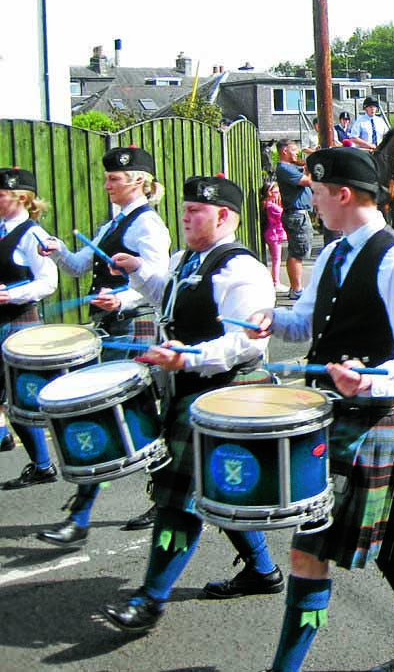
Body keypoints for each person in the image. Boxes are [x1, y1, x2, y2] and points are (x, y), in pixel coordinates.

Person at [246, 147, 394, 672]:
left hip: (365, 423)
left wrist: (367, 379)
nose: (310, 202)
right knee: (390, 544)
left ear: (342, 194)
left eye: (315, 193)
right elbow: (306, 324)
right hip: (323, 416)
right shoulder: (335, 253)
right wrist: (269, 318)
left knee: (307, 551)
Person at [99, 174, 284, 634]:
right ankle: (263, 571)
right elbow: (170, 293)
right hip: (191, 386)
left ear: (224, 216)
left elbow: (244, 342)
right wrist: (135, 271)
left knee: (176, 500)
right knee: (214, 488)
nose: (185, 216)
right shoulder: (188, 260)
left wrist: (188, 355)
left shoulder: (242, 270)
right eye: (184, 209)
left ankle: (151, 598)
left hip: (226, 387)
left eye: (195, 211)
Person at [35, 145, 170, 537]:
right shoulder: (114, 223)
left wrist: (121, 297)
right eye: (107, 178)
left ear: (138, 181)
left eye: (114, 179)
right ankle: (95, 512)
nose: (107, 185)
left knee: (123, 415)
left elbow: (157, 283)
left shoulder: (147, 225)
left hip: (134, 325)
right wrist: (58, 251)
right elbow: (81, 266)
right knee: (121, 416)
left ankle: (85, 516)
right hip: (111, 326)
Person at [0, 167, 59, 487]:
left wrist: (10, 294)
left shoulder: (32, 235)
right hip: (2, 324)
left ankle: (42, 464)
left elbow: (48, 282)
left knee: (17, 399)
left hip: (18, 323)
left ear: (20, 197)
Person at [275, 139, 316, 300]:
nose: (296, 152)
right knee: (297, 252)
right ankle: (296, 289)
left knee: (299, 251)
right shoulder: (284, 168)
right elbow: (306, 181)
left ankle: (296, 288)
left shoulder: (291, 167)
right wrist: (310, 170)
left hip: (299, 214)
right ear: (284, 151)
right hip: (296, 214)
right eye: (293, 149)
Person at [261, 179, 288, 292]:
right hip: (274, 234)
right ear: (269, 192)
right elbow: (282, 214)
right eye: (276, 192)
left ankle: (275, 281)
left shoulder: (267, 204)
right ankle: (275, 282)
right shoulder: (271, 206)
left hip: (272, 233)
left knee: (276, 258)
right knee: (277, 259)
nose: (278, 195)